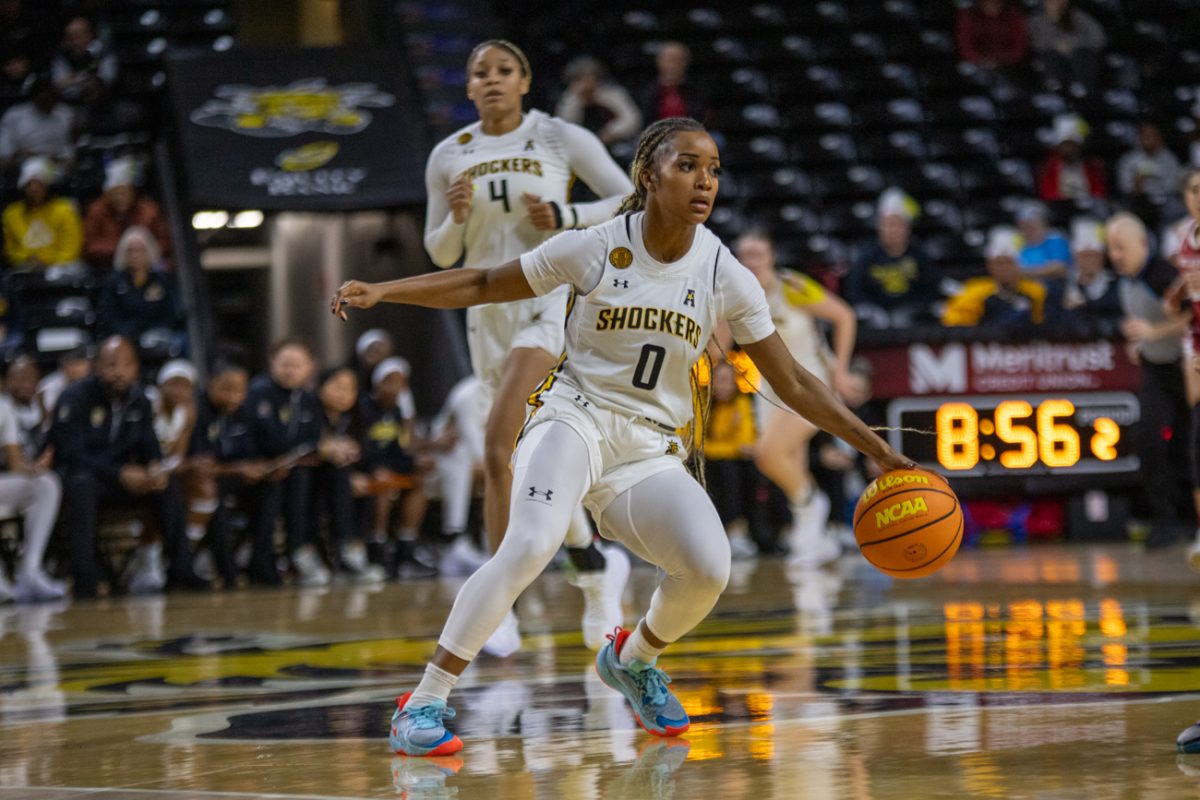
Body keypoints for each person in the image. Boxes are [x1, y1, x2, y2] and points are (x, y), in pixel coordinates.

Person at [332, 116, 914, 756]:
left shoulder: (724, 272)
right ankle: (425, 700)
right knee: (528, 545)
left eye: (714, 169)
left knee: (709, 566)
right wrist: (384, 289)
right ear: (648, 175)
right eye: (688, 165)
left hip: (649, 444)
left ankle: (632, 659)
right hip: (573, 416)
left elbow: (795, 382)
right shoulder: (592, 245)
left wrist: (881, 451)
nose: (705, 181)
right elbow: (480, 281)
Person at [423, 39, 634, 655]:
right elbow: (440, 254)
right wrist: (456, 218)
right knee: (523, 460)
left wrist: (568, 214)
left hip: (549, 304)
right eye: (479, 73)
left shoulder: (559, 137)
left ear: (525, 81)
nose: (492, 80)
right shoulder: (448, 154)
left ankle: (496, 605)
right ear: (468, 89)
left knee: (494, 448)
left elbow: (628, 200)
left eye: (504, 71)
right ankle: (595, 570)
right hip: (484, 314)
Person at [734, 229, 857, 568]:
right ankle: (814, 540)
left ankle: (813, 506)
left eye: (758, 254)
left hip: (810, 386)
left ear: (772, 256)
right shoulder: (737, 294)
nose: (752, 261)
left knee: (767, 455)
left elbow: (844, 316)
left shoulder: (793, 286)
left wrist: (842, 370)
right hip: (770, 392)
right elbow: (717, 337)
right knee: (791, 465)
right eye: (745, 255)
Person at [49, 336, 206, 598]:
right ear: (97, 366)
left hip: (122, 480)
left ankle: (181, 569)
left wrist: (155, 469)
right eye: (110, 365)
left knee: (166, 486)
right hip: (83, 477)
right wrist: (120, 473)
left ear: (135, 368)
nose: (117, 372)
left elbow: (149, 445)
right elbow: (70, 454)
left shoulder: (139, 400)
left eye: (125, 365)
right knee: (82, 484)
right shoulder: (74, 397)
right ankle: (85, 577)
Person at [1107, 211, 1194, 546]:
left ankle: (1188, 517)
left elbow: (1192, 317)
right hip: (1157, 369)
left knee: (1186, 443)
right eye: (1111, 248)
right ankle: (1166, 519)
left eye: (1120, 248)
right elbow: (1141, 324)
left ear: (1142, 244)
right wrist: (1139, 342)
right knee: (1148, 440)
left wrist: (1153, 332)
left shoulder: (1162, 275)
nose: (1114, 255)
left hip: (1185, 369)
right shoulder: (1126, 280)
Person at [244, 338, 325, 586]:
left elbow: (313, 438)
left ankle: (300, 550)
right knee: (276, 485)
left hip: (292, 468)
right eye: (285, 364)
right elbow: (257, 437)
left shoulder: (309, 399)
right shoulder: (257, 393)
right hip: (257, 468)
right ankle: (264, 559)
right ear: (272, 363)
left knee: (311, 477)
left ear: (310, 367)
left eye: (297, 365)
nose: (290, 371)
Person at [184, 361, 265, 589]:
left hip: (230, 476)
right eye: (226, 388)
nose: (233, 396)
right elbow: (201, 464)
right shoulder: (195, 411)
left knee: (271, 487)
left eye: (239, 390)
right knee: (212, 491)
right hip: (196, 481)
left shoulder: (244, 411)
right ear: (210, 382)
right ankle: (226, 570)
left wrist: (258, 468)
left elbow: (249, 454)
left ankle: (261, 561)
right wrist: (239, 468)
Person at [360, 357, 434, 579]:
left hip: (388, 466)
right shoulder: (363, 408)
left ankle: (406, 548)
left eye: (400, 383)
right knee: (384, 486)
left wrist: (415, 463)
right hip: (366, 468)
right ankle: (378, 550)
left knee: (418, 484)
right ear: (377, 384)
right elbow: (363, 448)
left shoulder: (396, 413)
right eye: (389, 381)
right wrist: (375, 468)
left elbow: (396, 449)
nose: (394, 388)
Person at [0, 364, 64, 602]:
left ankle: (30, 570)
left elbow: (16, 463)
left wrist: (36, 468)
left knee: (46, 483)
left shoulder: (3, 407)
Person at [314, 366, 383, 584]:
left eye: (350, 389)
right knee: (342, 478)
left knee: (367, 485)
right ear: (321, 387)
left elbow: (365, 454)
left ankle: (356, 548)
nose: (343, 394)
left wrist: (358, 474)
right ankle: (344, 550)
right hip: (314, 477)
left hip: (343, 478)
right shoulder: (311, 413)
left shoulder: (356, 417)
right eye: (337, 387)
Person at [843, 188, 937, 327]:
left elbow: (930, 289)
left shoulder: (919, 255)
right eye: (888, 224)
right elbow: (855, 290)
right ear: (879, 227)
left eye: (898, 224)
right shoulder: (867, 255)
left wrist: (912, 309)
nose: (893, 230)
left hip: (911, 316)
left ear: (907, 227)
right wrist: (872, 310)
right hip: (875, 316)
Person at [701, 361, 760, 560]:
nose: (724, 386)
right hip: (708, 462)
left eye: (728, 381)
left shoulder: (743, 403)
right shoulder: (703, 404)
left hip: (733, 464)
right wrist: (724, 445)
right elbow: (697, 443)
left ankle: (737, 532)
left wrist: (719, 447)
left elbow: (745, 444)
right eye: (720, 380)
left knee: (733, 471)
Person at [96, 226, 186, 351]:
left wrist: (153, 331)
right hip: (124, 336)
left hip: (157, 335)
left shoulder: (162, 280)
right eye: (130, 251)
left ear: (149, 251)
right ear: (123, 253)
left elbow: (170, 313)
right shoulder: (113, 282)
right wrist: (131, 334)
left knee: (180, 340)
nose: (135, 255)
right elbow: (109, 317)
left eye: (140, 250)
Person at [943, 227, 1047, 327]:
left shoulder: (1035, 292)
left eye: (1009, 263)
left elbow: (1044, 325)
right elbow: (954, 325)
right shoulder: (973, 292)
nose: (1004, 268)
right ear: (990, 266)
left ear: (1019, 265)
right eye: (999, 263)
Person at [83, 156, 172, 270]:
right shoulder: (96, 211)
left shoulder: (149, 210)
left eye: (124, 192)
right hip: (108, 267)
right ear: (107, 194)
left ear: (133, 191)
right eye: (116, 193)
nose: (121, 198)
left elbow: (165, 241)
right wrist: (124, 248)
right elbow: (89, 246)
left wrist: (143, 250)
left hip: (149, 266)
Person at [2, 157, 84, 275]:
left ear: (47, 186)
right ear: (23, 187)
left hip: (61, 267)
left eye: (39, 184)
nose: (34, 189)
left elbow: (71, 249)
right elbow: (11, 250)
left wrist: (47, 261)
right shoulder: (12, 213)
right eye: (29, 184)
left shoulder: (65, 210)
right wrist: (28, 259)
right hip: (24, 268)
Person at [555, 56, 642, 151]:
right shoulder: (570, 98)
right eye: (581, 79)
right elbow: (563, 126)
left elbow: (632, 119)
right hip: (581, 145)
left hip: (614, 143)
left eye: (590, 77)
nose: (586, 83)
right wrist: (579, 99)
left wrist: (611, 132)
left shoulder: (612, 93)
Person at [1029, 0, 1106, 93]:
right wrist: (1055, 45)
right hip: (1053, 55)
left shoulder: (1080, 17)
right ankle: (1053, 84)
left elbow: (1098, 38)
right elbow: (1035, 42)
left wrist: (1074, 44)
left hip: (1078, 55)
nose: (1054, 5)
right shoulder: (1037, 21)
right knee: (1049, 57)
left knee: (1082, 56)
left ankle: (1081, 85)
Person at [1117, 122, 1184, 226]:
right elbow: (1125, 188)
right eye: (1146, 136)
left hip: (1164, 200)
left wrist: (1155, 183)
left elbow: (1174, 185)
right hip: (1140, 200)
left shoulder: (1169, 158)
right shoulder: (1129, 160)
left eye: (1153, 136)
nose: (1150, 139)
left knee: (1176, 206)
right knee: (1128, 208)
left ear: (1159, 138)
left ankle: (1171, 235)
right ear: (1139, 139)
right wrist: (1138, 183)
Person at [0, 76, 73, 168]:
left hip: (57, 166)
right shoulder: (15, 115)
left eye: (52, 99)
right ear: (35, 97)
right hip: (21, 166)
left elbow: (69, 150)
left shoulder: (65, 114)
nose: (49, 103)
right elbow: (4, 154)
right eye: (46, 99)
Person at [1061, 219, 1121, 328]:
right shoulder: (1065, 285)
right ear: (1076, 258)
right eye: (1084, 256)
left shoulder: (1116, 284)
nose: (1089, 261)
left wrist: (1084, 306)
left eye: (1093, 255)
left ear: (1102, 257)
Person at [1038, 114, 1108, 202]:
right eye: (1066, 145)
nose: (1069, 149)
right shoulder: (1048, 166)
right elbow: (1047, 194)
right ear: (1059, 147)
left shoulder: (1092, 165)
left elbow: (1099, 193)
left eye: (1072, 145)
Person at [637, 41, 709, 125]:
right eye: (668, 60)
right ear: (659, 62)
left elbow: (702, 118)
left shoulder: (696, 90)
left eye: (677, 60)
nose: (672, 65)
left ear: (686, 63)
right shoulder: (646, 91)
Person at [955, 0, 1029, 70]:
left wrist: (1001, 58)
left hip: (1010, 64)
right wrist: (981, 58)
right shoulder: (969, 16)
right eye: (988, 3)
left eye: (996, 3)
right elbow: (965, 43)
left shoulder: (1013, 14)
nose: (992, 5)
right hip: (978, 63)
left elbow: (1020, 42)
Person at [149, 359, 197, 466]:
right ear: (161, 385)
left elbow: (176, 458)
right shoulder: (149, 402)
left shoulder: (185, 414)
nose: (179, 391)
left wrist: (187, 427)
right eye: (174, 384)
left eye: (185, 386)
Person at [1015, 200, 1072, 282]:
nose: (1028, 231)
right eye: (1024, 227)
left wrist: (1027, 272)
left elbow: (1060, 268)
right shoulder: (1016, 242)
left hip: (1054, 286)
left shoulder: (1056, 240)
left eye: (1032, 227)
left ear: (1044, 225)